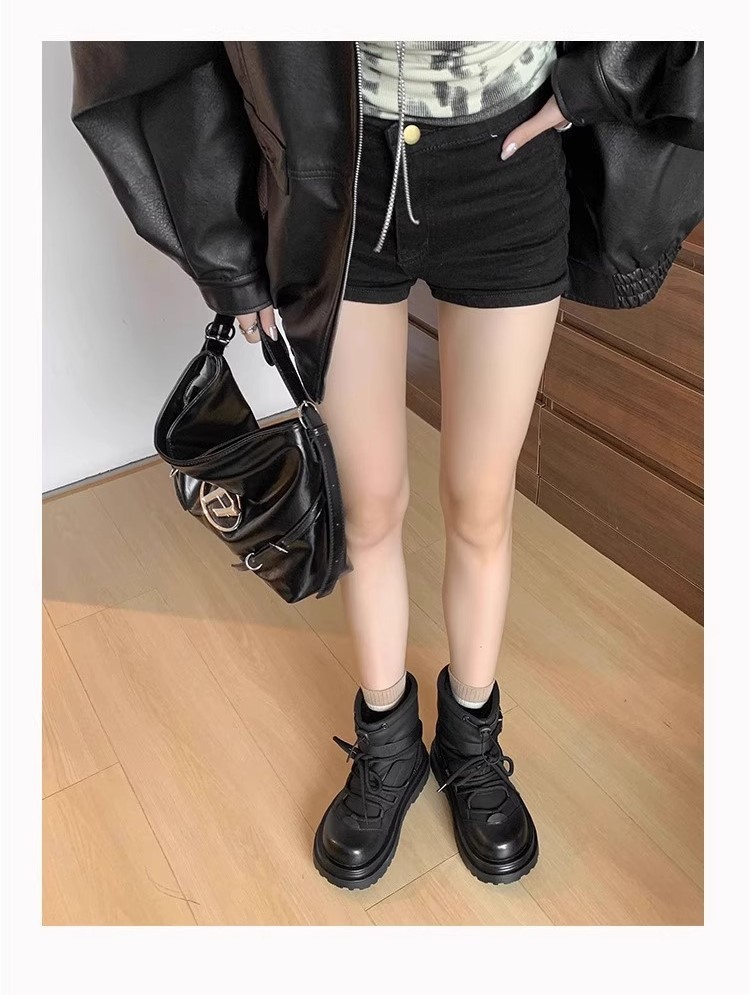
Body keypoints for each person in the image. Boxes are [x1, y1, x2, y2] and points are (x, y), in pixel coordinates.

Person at [69, 39, 704, 890]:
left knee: (481, 503)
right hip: (339, 176)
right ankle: (388, 740)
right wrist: (226, 249)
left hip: (509, 163)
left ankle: (469, 736)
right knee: (366, 508)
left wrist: (596, 81)